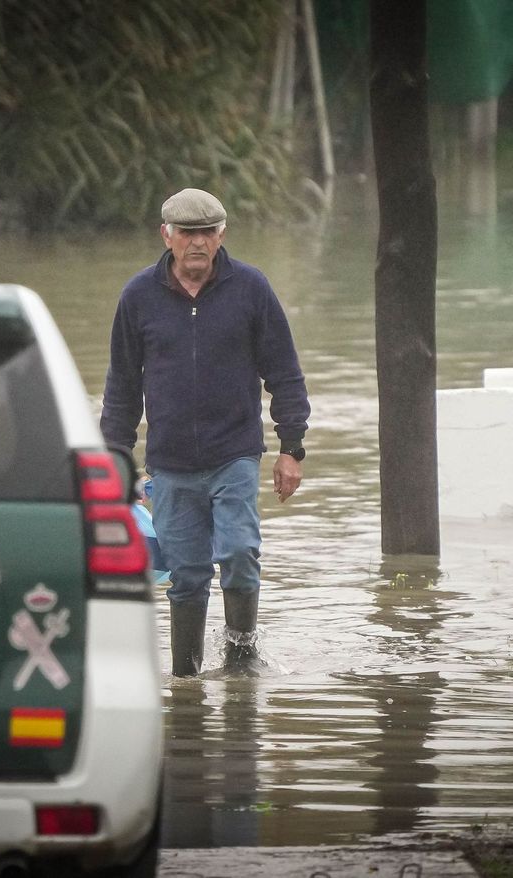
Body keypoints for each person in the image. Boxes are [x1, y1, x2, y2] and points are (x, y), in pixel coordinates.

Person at [101, 188, 310, 677]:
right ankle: (187, 677)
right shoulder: (138, 297)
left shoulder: (251, 289)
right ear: (166, 236)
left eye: (206, 233)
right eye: (186, 233)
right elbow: (122, 387)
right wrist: (114, 461)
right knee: (186, 575)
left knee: (239, 551)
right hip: (170, 463)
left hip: (234, 453)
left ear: (221, 236)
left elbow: (284, 371)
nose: (197, 243)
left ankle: (240, 656)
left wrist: (291, 447)